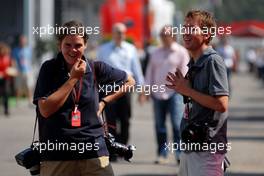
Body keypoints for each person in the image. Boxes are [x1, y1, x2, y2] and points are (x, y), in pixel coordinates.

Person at [33, 20, 135, 176]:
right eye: (67, 45)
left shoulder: (95, 68)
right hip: (58, 156)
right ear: (59, 45)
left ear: (85, 45)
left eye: (78, 45)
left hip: (93, 153)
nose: (73, 50)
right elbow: (45, 110)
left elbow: (130, 81)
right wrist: (73, 78)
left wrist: (104, 102)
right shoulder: (49, 68)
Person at [166, 10, 229, 176]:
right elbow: (198, 101)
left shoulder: (213, 61)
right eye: (184, 27)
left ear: (207, 34)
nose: (185, 32)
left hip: (208, 150)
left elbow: (221, 104)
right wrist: (184, 91)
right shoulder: (194, 62)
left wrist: (187, 90)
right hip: (191, 147)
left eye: (191, 28)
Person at [144, 26, 189, 164]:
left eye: (166, 34)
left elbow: (185, 73)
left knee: (176, 124)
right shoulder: (155, 52)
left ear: (173, 36)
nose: (163, 37)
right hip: (157, 94)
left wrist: (185, 91)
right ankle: (162, 153)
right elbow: (149, 72)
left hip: (175, 94)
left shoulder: (181, 52)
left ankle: (179, 153)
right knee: (159, 126)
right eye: (162, 34)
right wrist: (145, 91)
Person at [97, 23, 144, 147]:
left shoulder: (131, 49)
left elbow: (137, 70)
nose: (120, 35)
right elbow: (98, 70)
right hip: (109, 88)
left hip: (125, 88)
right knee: (111, 120)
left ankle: (122, 146)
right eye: (117, 32)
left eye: (122, 32)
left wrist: (141, 90)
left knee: (125, 119)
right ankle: (112, 146)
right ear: (112, 33)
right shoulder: (103, 49)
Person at [12, 34, 34, 105]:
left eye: (23, 40)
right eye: (21, 40)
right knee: (18, 86)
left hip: (28, 70)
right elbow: (13, 60)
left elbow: (31, 60)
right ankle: (17, 101)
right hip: (19, 71)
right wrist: (15, 69)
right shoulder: (16, 50)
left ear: (25, 41)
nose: (22, 42)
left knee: (29, 86)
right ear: (19, 41)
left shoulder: (29, 50)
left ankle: (30, 101)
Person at [0, 42, 12, 116]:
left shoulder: (8, 58)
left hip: (6, 78)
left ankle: (6, 110)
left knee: (6, 93)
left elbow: (11, 66)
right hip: (0, 77)